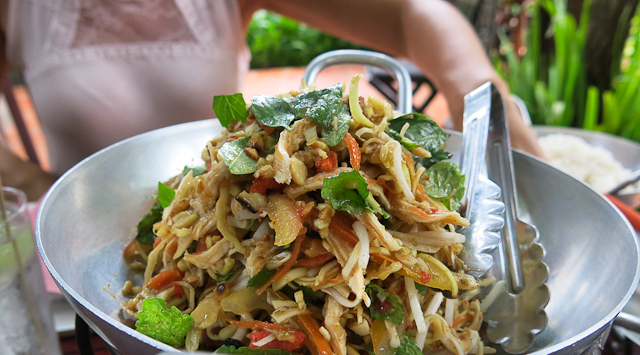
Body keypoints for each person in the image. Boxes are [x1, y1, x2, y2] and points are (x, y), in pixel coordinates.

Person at [0, 0, 543, 200]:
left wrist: (483, 93)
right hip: (89, 253)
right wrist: (37, 190)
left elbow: (413, 13)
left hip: (244, 193)